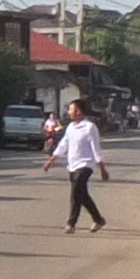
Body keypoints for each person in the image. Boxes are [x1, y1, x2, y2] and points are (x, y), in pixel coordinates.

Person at [48, 98, 109, 231]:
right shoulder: (71, 127)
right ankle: (98, 219)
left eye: (71, 109)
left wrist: (102, 168)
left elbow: (96, 149)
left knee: (75, 193)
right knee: (82, 195)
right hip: (72, 165)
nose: (69, 112)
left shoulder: (90, 128)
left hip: (86, 165)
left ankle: (71, 223)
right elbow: (64, 144)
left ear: (79, 111)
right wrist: (52, 159)